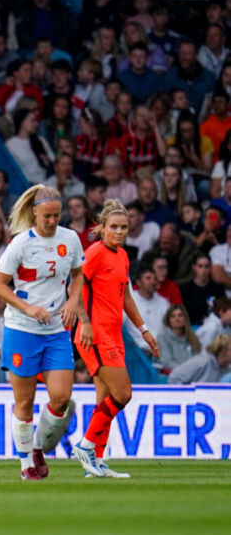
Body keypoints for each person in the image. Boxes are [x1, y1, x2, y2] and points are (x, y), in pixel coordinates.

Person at [0, 184, 87, 481]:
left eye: (57, 215)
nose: (52, 221)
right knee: (24, 402)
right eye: (47, 215)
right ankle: (25, 466)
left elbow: (79, 274)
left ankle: (36, 447)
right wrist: (28, 308)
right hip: (22, 330)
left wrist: (73, 300)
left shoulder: (70, 239)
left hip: (57, 330)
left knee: (61, 398)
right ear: (34, 212)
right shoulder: (20, 244)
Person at [68, 201, 158, 478]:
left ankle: (95, 462)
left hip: (113, 333)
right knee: (123, 394)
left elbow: (126, 295)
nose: (119, 232)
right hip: (94, 332)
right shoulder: (94, 253)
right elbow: (74, 286)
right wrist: (84, 323)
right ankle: (85, 446)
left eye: (124, 227)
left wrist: (143, 328)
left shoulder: (122, 256)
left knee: (105, 398)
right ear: (102, 228)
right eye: (114, 227)